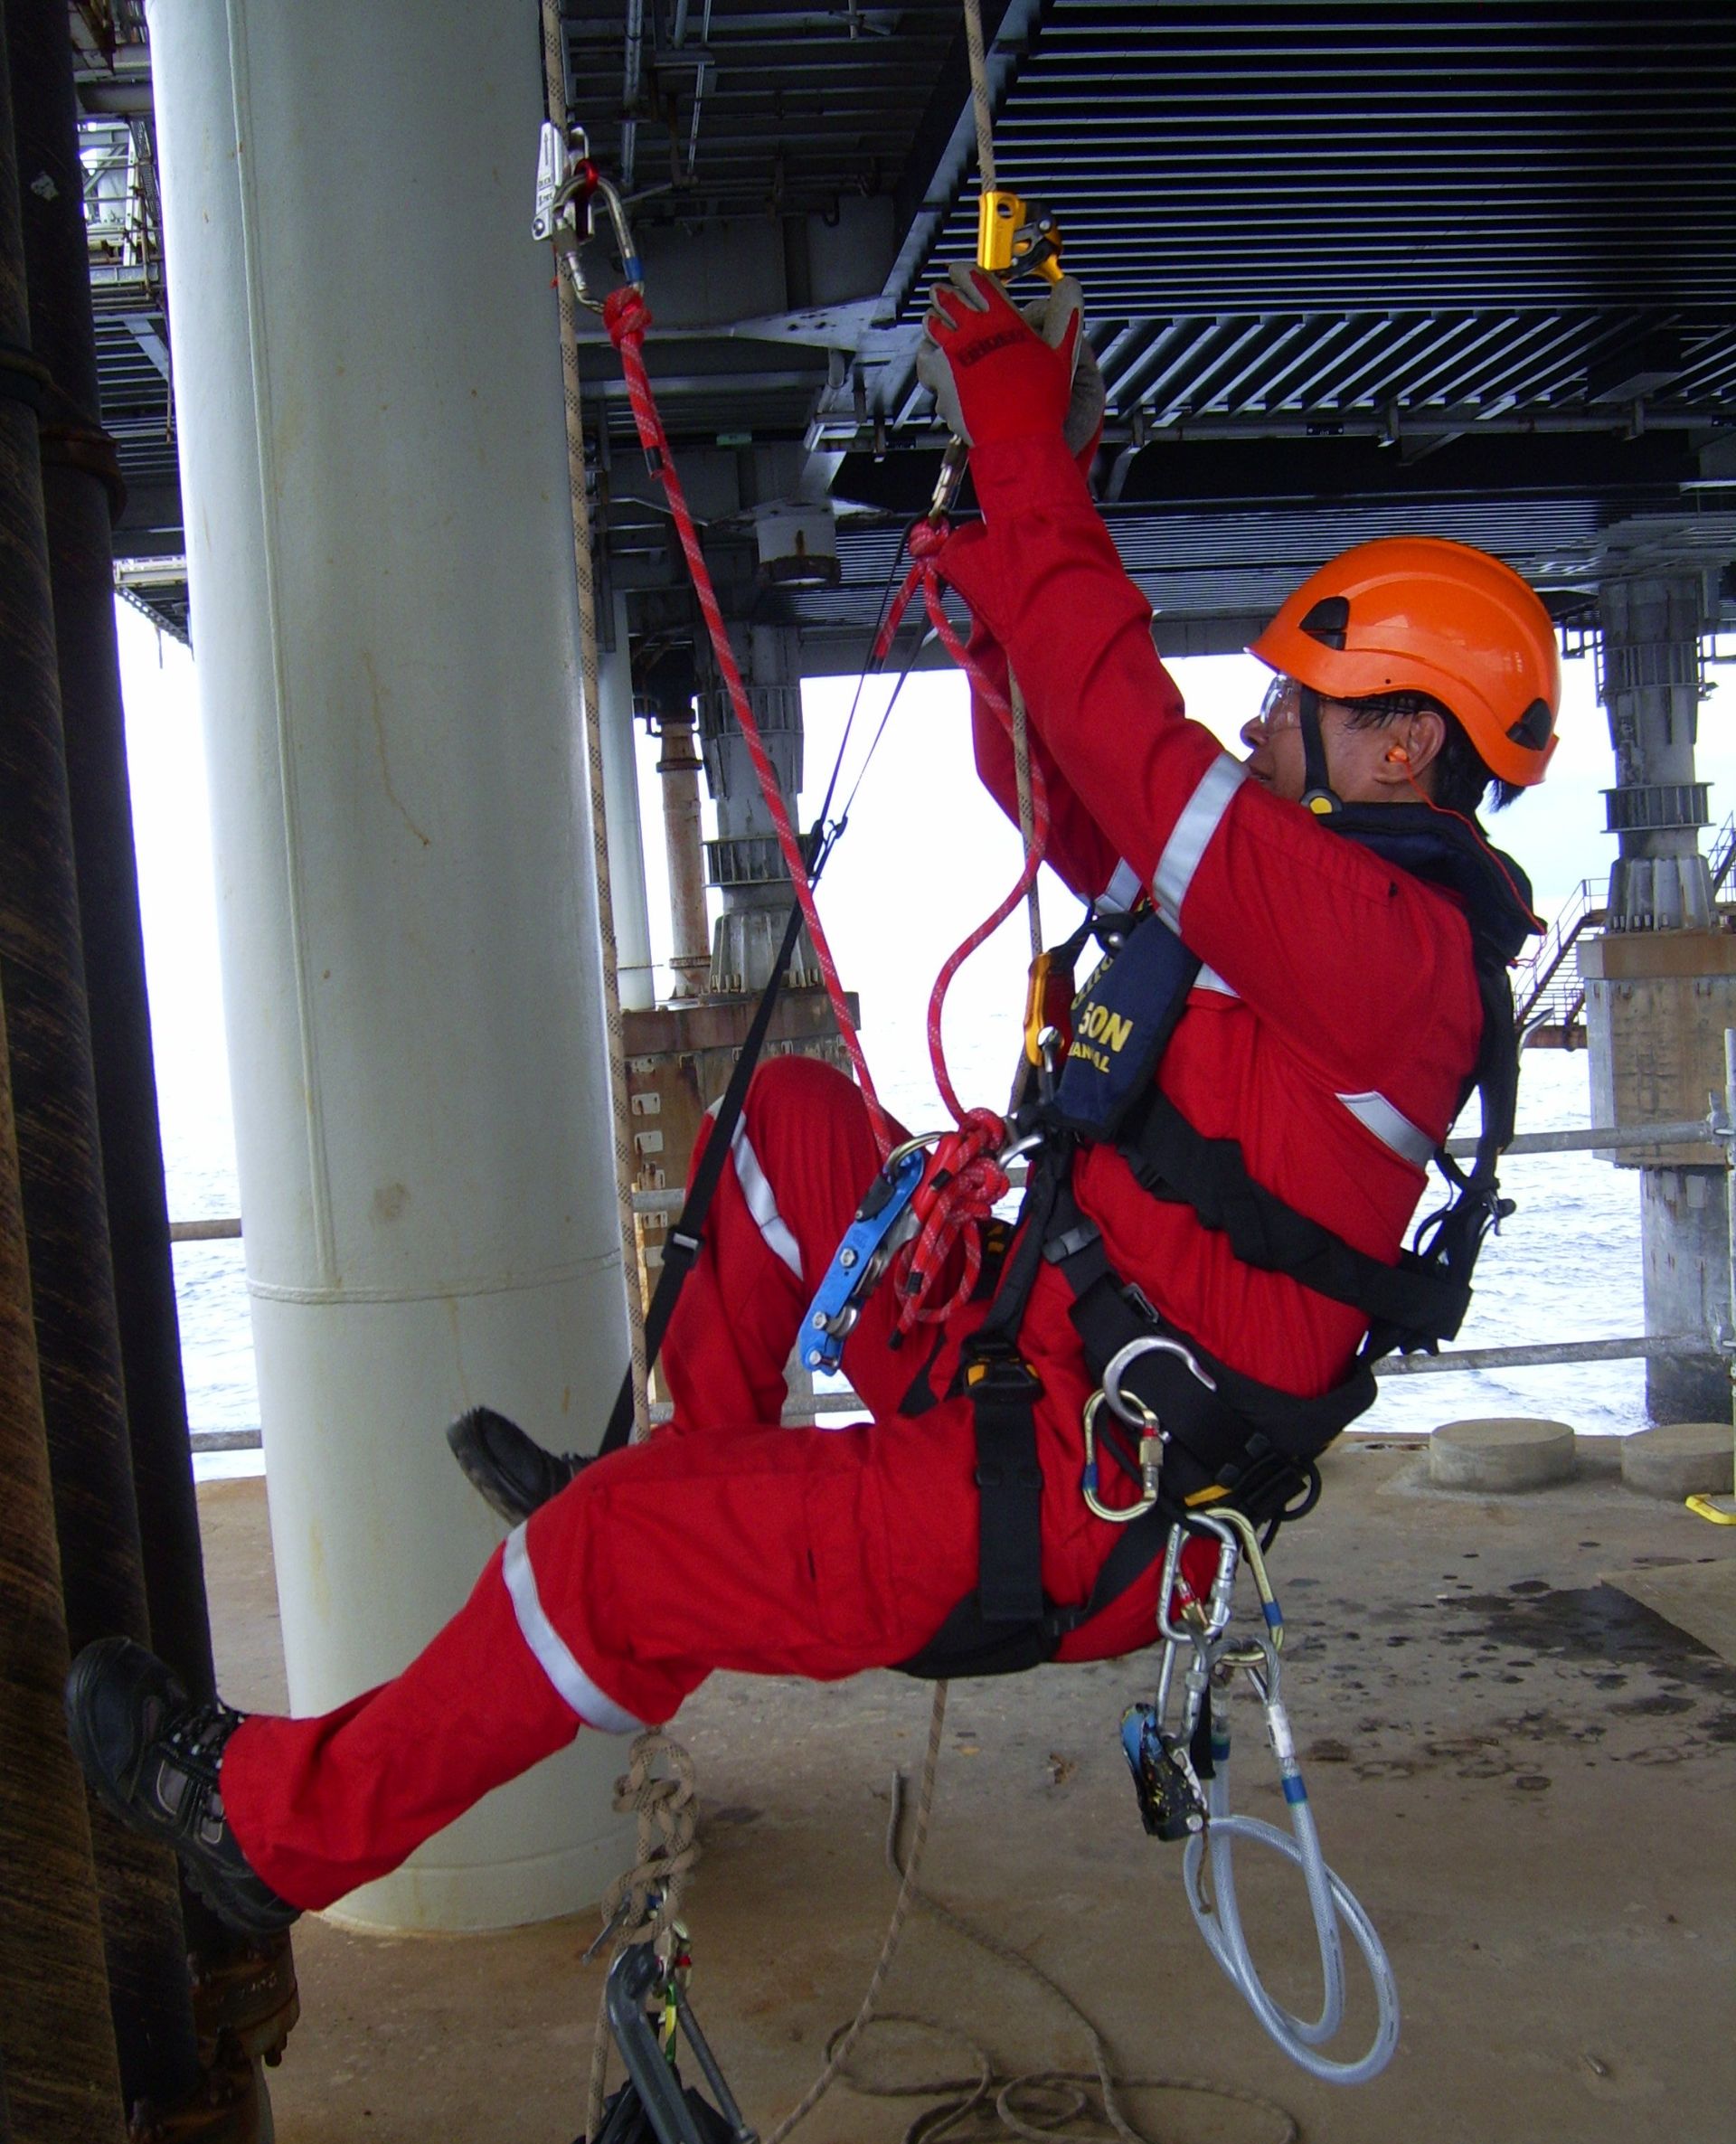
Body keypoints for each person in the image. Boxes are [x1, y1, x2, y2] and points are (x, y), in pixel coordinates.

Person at [65, 269, 1557, 1939]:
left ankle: (269, 1831)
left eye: (1300, 700)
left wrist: (1009, 407)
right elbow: (1057, 777)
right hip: (1036, 1360)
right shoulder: (1305, 918)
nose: (1266, 718)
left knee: (609, 1555)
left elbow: (1123, 729)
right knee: (792, 1122)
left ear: (1409, 743)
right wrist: (997, 600)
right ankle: (701, 1494)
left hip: (1084, 1495)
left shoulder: (1386, 954)